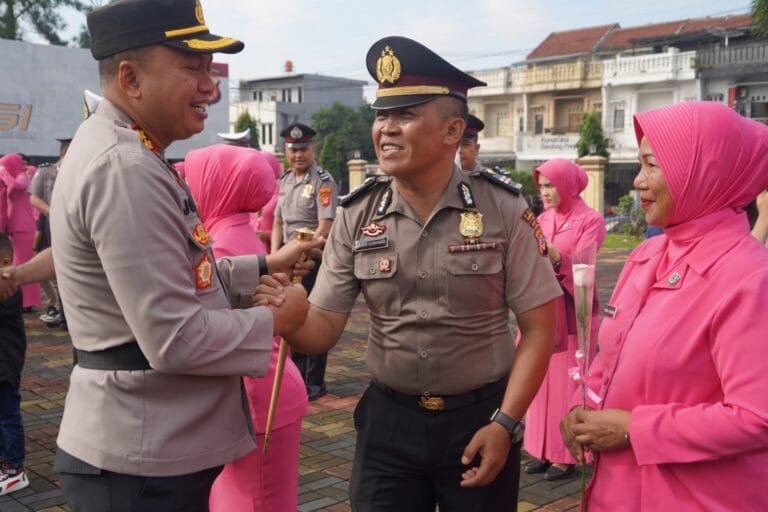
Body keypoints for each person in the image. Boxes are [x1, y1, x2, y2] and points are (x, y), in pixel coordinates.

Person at [258, 36, 560, 511]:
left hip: (480, 420)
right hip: (388, 425)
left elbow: (541, 328)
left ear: (452, 130)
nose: (386, 129)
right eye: (381, 115)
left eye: (406, 114)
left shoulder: (502, 208)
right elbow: (323, 330)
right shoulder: (358, 214)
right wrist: (289, 316)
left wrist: (506, 424)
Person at [45, 1, 322, 510]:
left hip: (147, 447)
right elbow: (174, 338)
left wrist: (262, 265)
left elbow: (173, 274)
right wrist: (276, 321)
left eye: (210, 70)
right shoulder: (124, 167)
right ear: (130, 77)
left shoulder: (131, 150)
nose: (211, 88)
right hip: (141, 458)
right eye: (192, 69)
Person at [560, 102, 768, 510]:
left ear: (704, 172)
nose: (638, 181)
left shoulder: (749, 277)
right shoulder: (646, 256)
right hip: (615, 490)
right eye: (640, 164)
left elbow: (757, 417)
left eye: (653, 165)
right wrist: (583, 412)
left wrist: (636, 429)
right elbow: (609, 361)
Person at [184, 144, 309, 512]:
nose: (188, 192)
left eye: (194, 182)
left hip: (256, 399)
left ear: (217, 186)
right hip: (263, 390)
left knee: (251, 502)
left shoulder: (219, 244)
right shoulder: (230, 231)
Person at [521, 159, 605, 481]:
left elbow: (587, 265)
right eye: (541, 186)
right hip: (544, 311)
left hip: (575, 312)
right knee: (542, 384)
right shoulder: (541, 219)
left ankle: (567, 456)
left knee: (571, 383)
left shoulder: (590, 220)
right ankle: (541, 450)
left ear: (569, 185)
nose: (545, 192)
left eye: (551, 185)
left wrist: (558, 257)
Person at [272, 122, 339, 401]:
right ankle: (298, 375)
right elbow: (277, 220)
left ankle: (314, 381)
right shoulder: (285, 181)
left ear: (312, 149)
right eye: (293, 149)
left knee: (312, 317)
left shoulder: (322, 181)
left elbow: (325, 224)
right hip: (287, 259)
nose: (298, 155)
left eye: (303, 149)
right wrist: (276, 256)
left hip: (311, 259)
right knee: (291, 316)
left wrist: (302, 251)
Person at [29, 137, 71, 327]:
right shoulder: (46, 171)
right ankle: (61, 310)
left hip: (81, 226)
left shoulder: (85, 170)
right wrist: (54, 213)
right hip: (54, 226)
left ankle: (70, 312)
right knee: (57, 271)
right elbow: (34, 199)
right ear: (65, 151)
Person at [0, 233, 30, 496]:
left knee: (8, 416)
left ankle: (14, 469)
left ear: (5, 262)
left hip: (5, 366)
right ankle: (4, 461)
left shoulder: (8, 290)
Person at [0, 153, 41, 311]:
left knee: (23, 265)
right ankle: (24, 301)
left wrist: (4, 173)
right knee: (17, 262)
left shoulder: (22, 176)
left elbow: (15, 187)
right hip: (15, 225)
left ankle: (26, 301)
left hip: (23, 225)